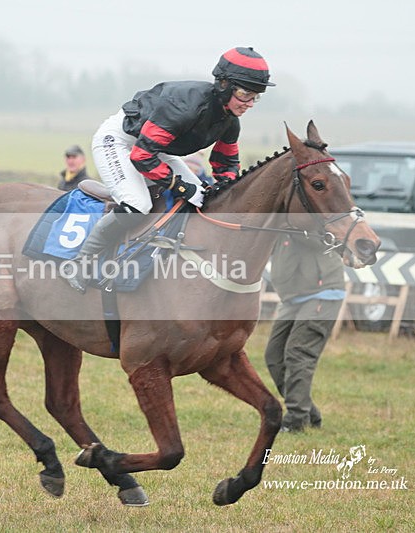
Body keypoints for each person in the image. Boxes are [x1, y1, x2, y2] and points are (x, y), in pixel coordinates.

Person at [65, 47, 274, 292]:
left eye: (255, 97)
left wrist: (225, 188)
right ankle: (80, 262)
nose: (250, 104)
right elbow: (141, 156)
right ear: (224, 85)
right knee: (137, 204)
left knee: (204, 197)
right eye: (244, 94)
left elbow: (226, 164)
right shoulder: (184, 105)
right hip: (120, 142)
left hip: (155, 148)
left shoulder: (230, 121)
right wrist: (179, 186)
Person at [263, 232, 346, 433]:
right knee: (274, 356)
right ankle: (308, 412)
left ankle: (296, 419)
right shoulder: (280, 220)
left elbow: (319, 237)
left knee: (298, 353)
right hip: (292, 298)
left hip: (321, 293)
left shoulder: (307, 220)